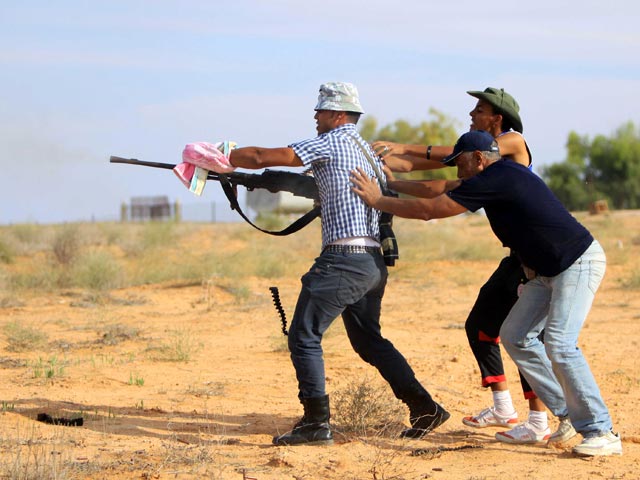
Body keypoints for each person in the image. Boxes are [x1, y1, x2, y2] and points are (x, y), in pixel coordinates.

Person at [350, 130, 623, 457]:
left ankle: (601, 431)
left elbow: (430, 209)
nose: (457, 169)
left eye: (460, 162)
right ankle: (567, 413)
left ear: (479, 158)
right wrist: (393, 184)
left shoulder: (498, 177)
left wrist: (378, 200)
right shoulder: (493, 176)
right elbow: (437, 189)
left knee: (560, 344)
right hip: (546, 272)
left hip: (575, 264)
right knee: (516, 336)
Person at [213, 82, 449, 446]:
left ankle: (315, 423)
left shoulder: (331, 142)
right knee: (369, 342)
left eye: (320, 110)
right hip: (371, 264)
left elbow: (260, 156)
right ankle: (425, 408)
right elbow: (314, 184)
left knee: (304, 335)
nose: (315, 116)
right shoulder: (366, 152)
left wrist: (219, 155)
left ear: (337, 115)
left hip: (343, 261)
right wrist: (253, 181)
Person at [373, 88, 562, 445]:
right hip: (516, 258)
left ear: (497, 118)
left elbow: (453, 155)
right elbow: (443, 179)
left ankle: (539, 420)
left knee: (525, 338)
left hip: (536, 261)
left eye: (479, 110)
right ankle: (503, 407)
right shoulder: (481, 169)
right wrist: (390, 170)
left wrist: (402, 148)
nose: (472, 114)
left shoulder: (512, 142)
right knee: (481, 326)